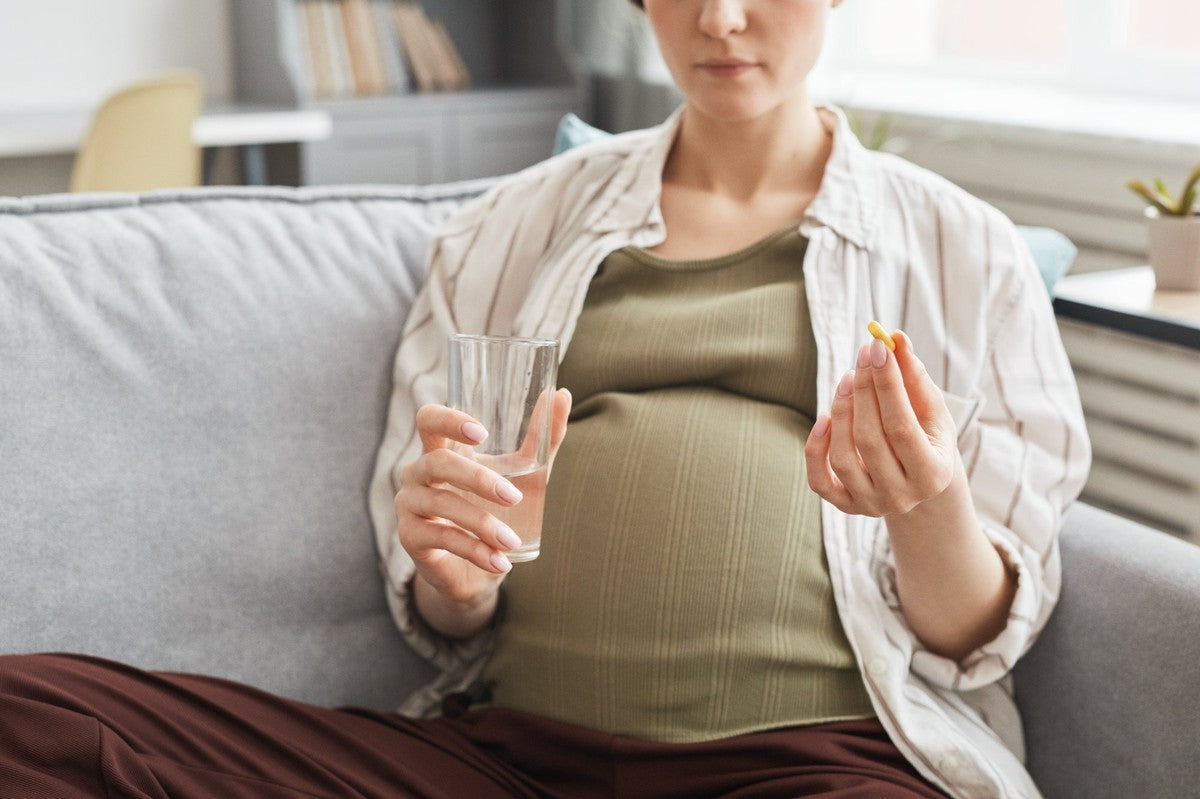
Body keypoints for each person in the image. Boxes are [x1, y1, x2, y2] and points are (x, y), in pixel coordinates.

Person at [0, 1, 1088, 797]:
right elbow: (440, 610)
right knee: (32, 715)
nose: (722, 17)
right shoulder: (509, 229)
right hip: (502, 756)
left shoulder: (962, 251)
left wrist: (927, 505)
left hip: (811, 765)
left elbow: (976, 640)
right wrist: (453, 568)